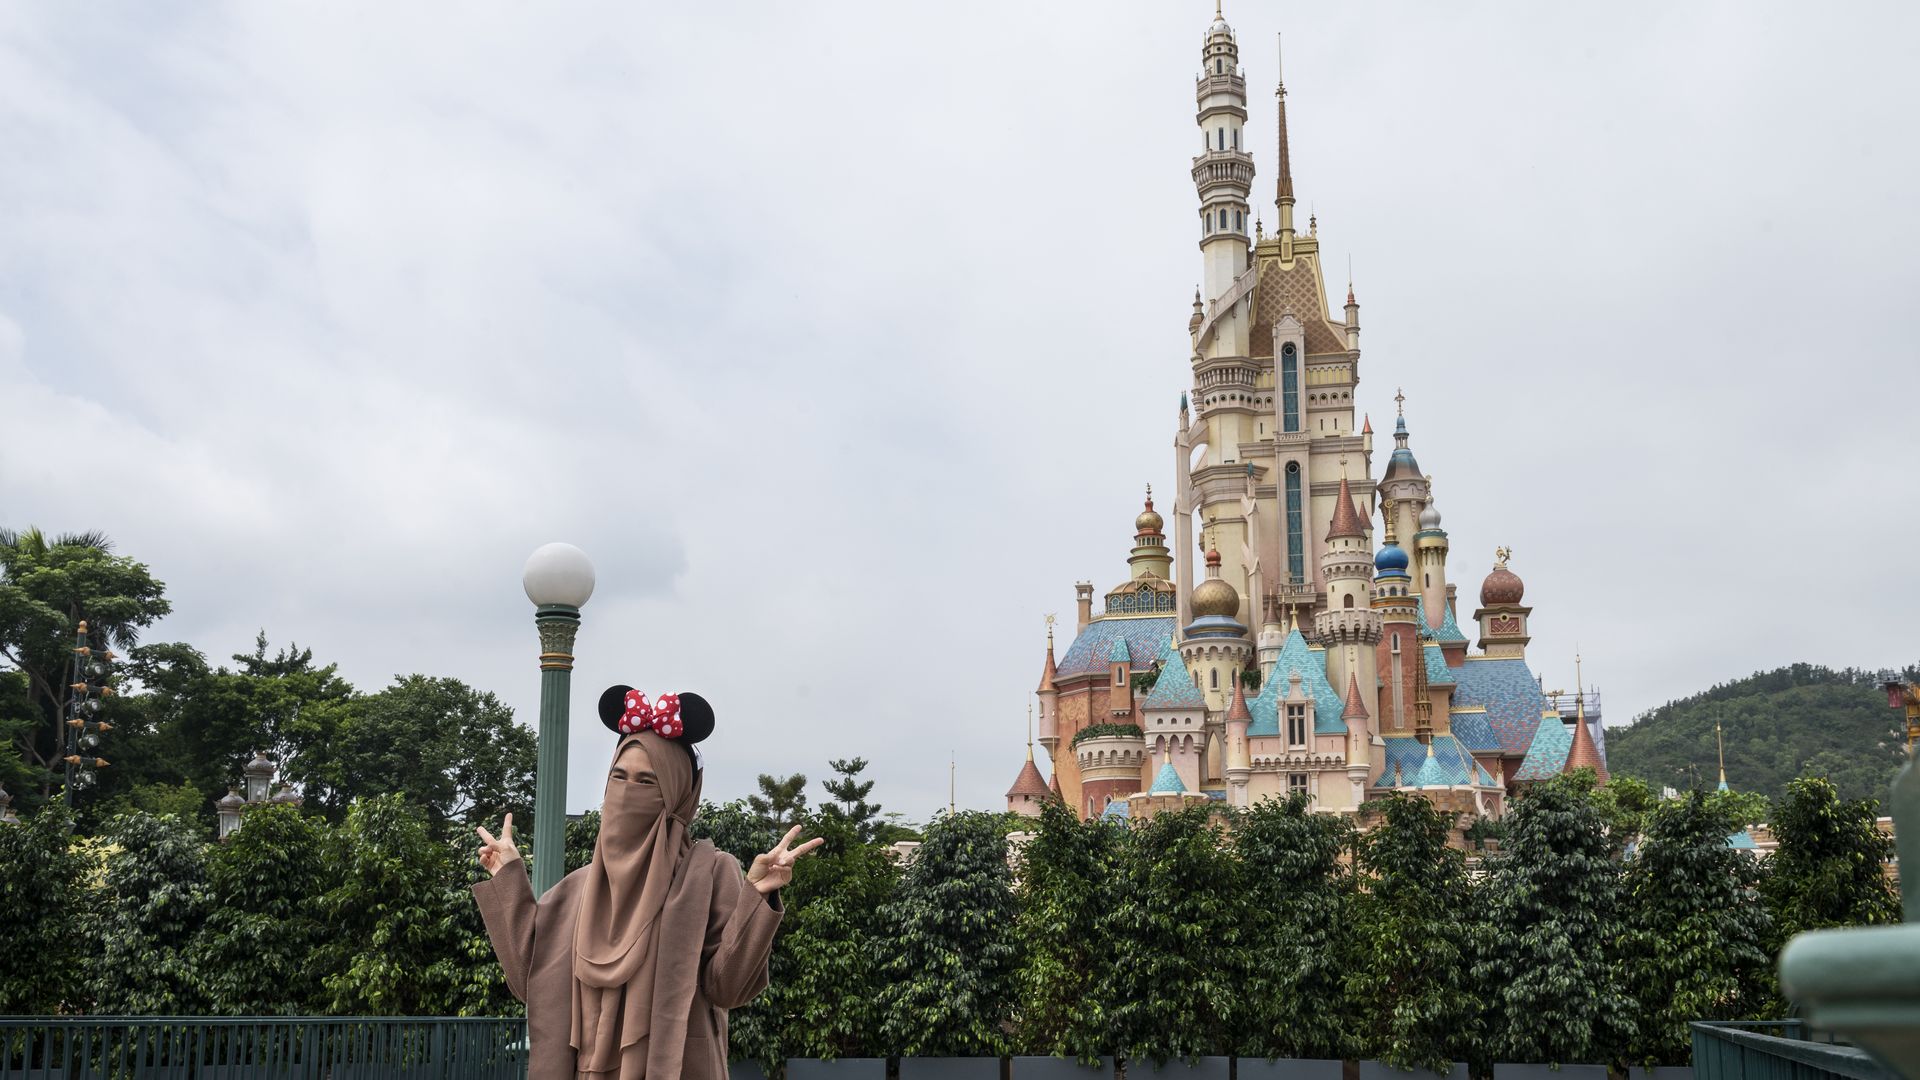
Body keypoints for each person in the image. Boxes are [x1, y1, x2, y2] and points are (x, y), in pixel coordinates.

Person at [473, 686, 821, 1079]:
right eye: (618, 777)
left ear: (676, 795)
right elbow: (530, 982)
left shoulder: (708, 874)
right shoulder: (577, 890)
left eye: (646, 782)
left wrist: (757, 895)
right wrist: (508, 879)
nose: (626, 792)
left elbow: (727, 989)